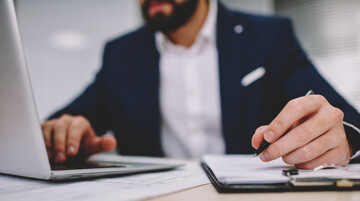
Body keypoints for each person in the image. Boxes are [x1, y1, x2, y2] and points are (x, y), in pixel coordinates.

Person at [42, 0, 360, 169]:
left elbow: (346, 121)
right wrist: (64, 133)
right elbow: (62, 123)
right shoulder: (120, 54)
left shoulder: (269, 37)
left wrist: (343, 139)